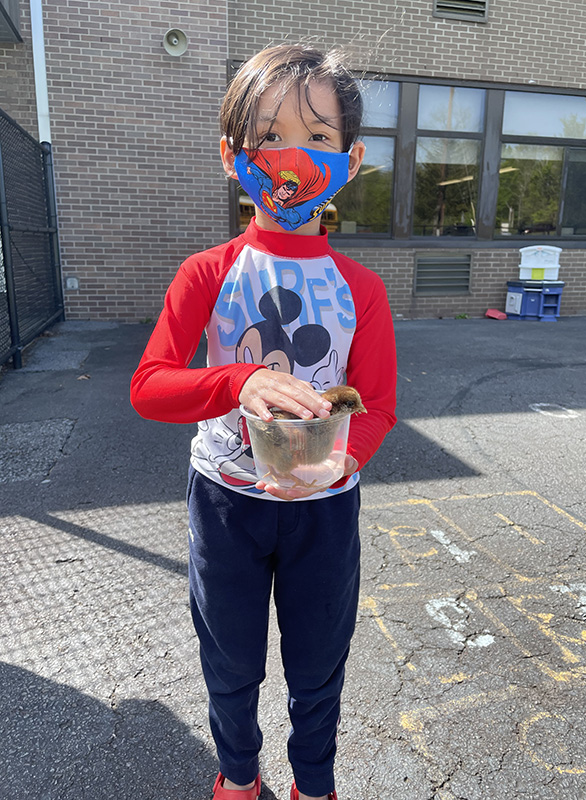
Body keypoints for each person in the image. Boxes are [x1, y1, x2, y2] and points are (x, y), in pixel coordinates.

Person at [130, 42, 397, 800]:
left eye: (319, 138)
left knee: (318, 666)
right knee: (231, 663)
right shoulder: (208, 273)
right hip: (225, 501)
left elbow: (376, 406)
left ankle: (314, 785)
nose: (294, 157)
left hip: (323, 510)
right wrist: (241, 379)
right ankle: (238, 779)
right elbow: (150, 386)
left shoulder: (361, 289)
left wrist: (341, 462)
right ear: (232, 154)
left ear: (351, 159)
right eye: (272, 134)